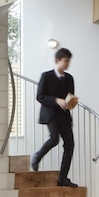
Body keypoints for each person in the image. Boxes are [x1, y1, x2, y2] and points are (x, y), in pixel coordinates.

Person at [30, 47, 78, 187]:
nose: (68, 64)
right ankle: (37, 156)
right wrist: (56, 100)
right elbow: (40, 96)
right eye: (65, 61)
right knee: (54, 138)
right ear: (57, 60)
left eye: (69, 61)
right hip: (51, 114)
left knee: (70, 144)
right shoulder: (46, 76)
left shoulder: (69, 78)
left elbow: (70, 96)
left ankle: (62, 178)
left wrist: (71, 102)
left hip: (64, 114)